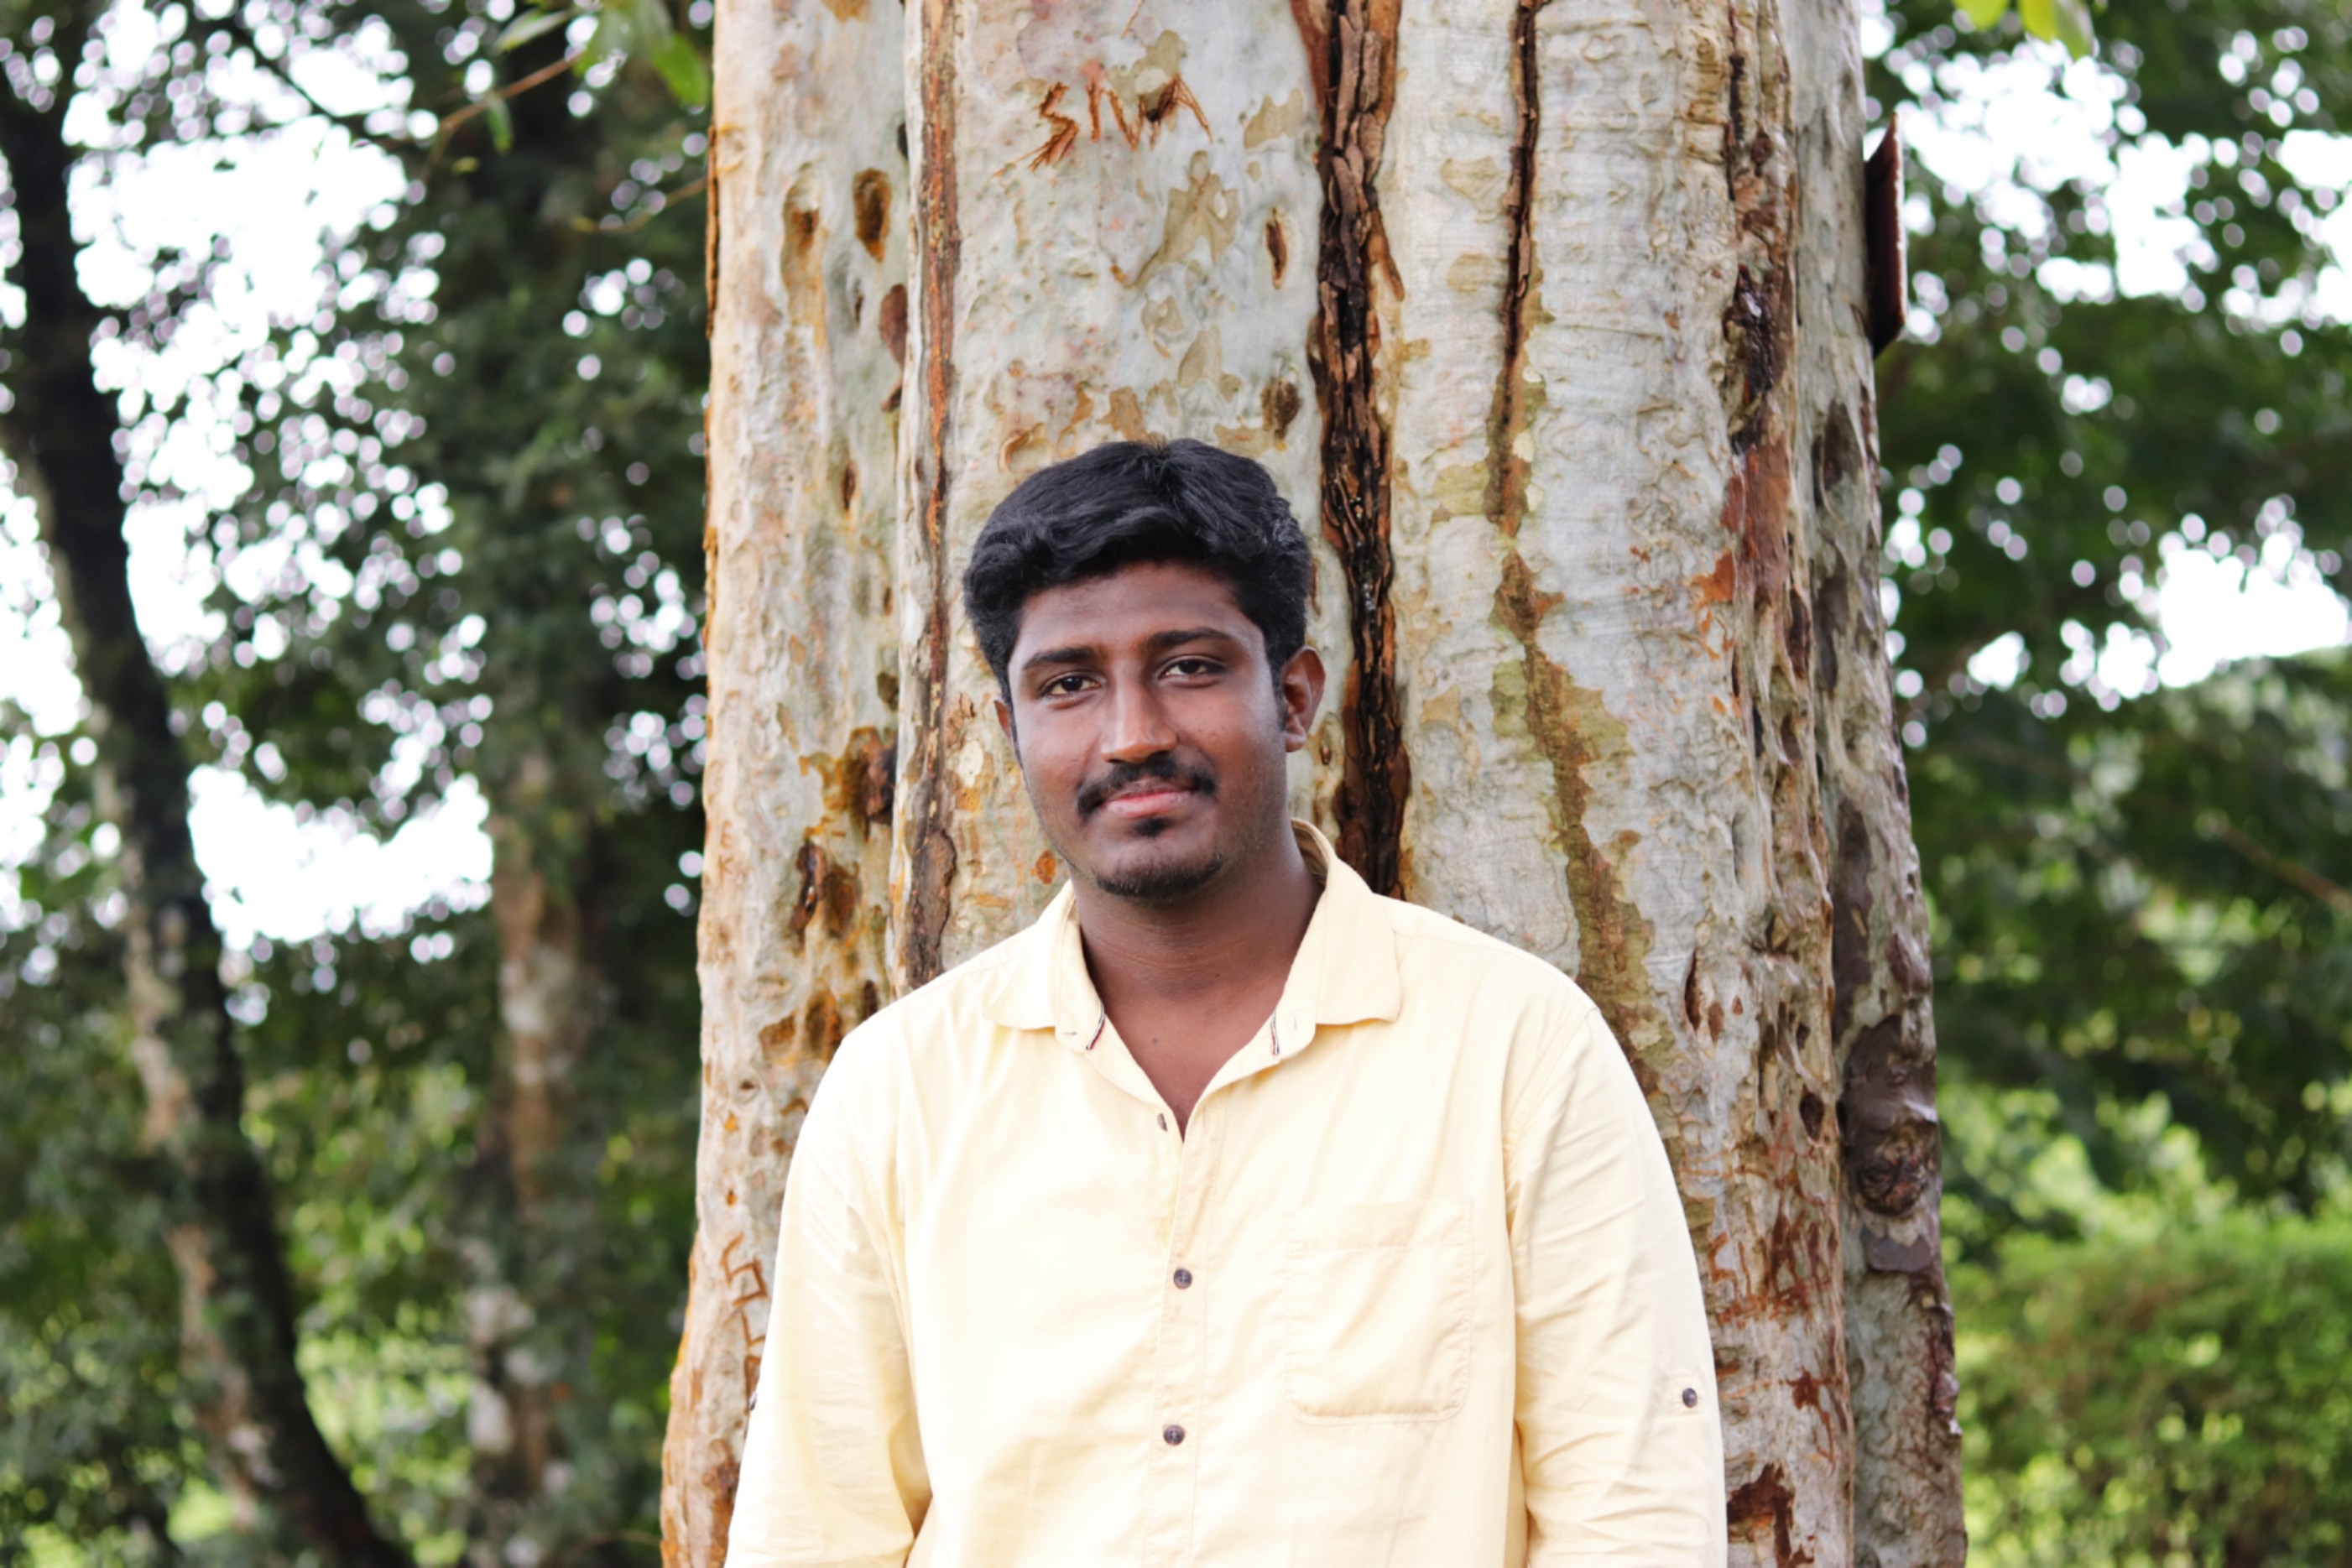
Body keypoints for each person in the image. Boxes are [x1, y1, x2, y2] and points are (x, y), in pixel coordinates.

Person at [727, 440, 1727, 1565]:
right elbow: (815, 1531)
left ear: (1292, 698)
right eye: (1067, 684)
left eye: (1190, 666)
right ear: (1012, 731)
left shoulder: (1514, 1048)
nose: (1132, 733)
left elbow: (1632, 1519)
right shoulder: (900, 1089)